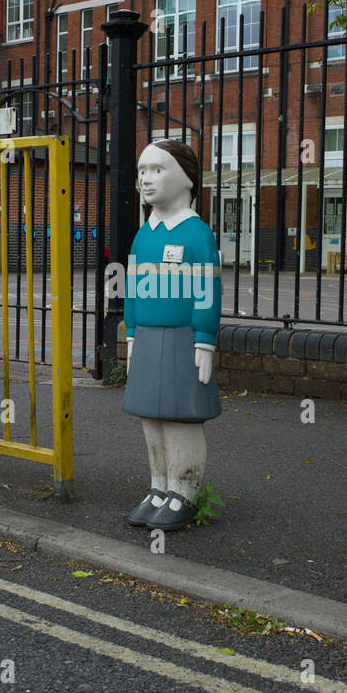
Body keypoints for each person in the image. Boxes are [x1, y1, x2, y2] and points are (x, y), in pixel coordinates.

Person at [122, 138, 221, 531]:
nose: (146, 180)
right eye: (142, 171)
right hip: (146, 338)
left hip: (183, 340)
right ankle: (158, 487)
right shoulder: (143, 235)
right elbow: (131, 290)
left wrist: (205, 339)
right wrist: (130, 335)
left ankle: (185, 491)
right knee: (150, 416)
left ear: (187, 178)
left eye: (157, 170)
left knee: (181, 418)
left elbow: (207, 291)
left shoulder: (197, 234)